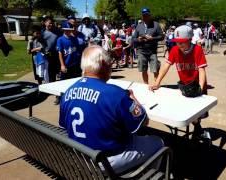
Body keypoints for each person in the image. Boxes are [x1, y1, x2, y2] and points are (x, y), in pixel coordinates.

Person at [59, 45, 164, 174]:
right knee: (158, 142)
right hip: (105, 161)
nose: (112, 63)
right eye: (110, 60)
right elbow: (143, 122)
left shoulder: (67, 92)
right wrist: (132, 98)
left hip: (79, 156)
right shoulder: (116, 94)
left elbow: (65, 126)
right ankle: (147, 175)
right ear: (103, 63)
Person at [149, 25, 208, 137]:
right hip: (185, 86)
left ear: (190, 39)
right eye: (177, 42)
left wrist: (200, 87)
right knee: (186, 112)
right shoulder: (175, 50)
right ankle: (196, 128)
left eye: (182, 42)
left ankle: (197, 128)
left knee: (197, 113)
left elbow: (201, 70)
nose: (179, 44)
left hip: (197, 85)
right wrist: (157, 82)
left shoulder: (197, 50)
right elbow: (166, 65)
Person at [133, 8, 164, 84]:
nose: (145, 17)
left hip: (152, 51)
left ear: (150, 15)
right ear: (142, 16)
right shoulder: (139, 26)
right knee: (143, 70)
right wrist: (139, 39)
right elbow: (133, 38)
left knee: (155, 69)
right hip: (141, 51)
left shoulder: (156, 25)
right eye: (144, 15)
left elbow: (162, 36)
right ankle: (146, 85)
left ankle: (156, 84)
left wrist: (152, 38)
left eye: (147, 15)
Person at [42, 16, 58, 83]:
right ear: (45, 23)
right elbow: (39, 44)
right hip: (46, 55)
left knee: (53, 71)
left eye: (52, 23)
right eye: (49, 23)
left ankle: (53, 83)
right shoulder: (43, 33)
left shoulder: (56, 32)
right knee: (47, 72)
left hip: (55, 54)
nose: (51, 24)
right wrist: (44, 51)